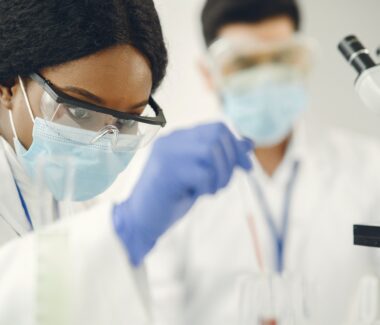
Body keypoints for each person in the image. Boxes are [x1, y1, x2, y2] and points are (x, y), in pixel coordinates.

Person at [0, 0, 254, 323]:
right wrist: (123, 232)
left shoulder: (75, 207)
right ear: (8, 85)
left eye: (126, 121)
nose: (104, 142)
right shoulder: (103, 227)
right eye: (80, 111)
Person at [147, 0, 380, 324]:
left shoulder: (370, 168)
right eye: (244, 63)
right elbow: (151, 310)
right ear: (209, 73)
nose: (267, 77)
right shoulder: (176, 180)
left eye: (282, 58)